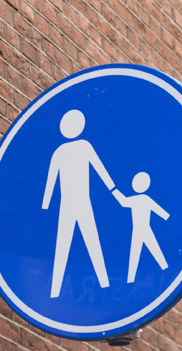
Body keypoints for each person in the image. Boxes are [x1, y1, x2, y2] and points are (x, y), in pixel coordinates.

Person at [42, 109, 116, 298]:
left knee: (71, 243)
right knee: (86, 242)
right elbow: (100, 170)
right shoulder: (81, 147)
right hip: (76, 203)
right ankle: (102, 284)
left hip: (76, 203)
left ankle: (57, 290)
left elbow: (51, 180)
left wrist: (46, 204)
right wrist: (114, 190)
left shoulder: (65, 150)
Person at [112, 171, 170, 284]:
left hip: (142, 229)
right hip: (141, 229)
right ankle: (131, 278)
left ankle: (131, 278)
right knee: (146, 251)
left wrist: (114, 190)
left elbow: (123, 201)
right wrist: (167, 217)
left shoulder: (140, 199)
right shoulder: (144, 198)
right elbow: (161, 212)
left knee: (142, 252)